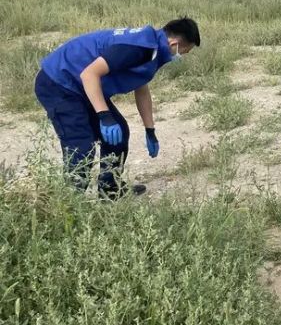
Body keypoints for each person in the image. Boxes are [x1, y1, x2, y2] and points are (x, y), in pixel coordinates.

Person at [34, 18, 201, 198]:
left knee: (119, 133)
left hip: (82, 85)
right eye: (184, 51)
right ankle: (69, 204)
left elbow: (141, 87)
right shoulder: (138, 48)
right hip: (59, 83)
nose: (182, 56)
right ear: (174, 43)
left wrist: (150, 129)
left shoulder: (153, 48)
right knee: (80, 145)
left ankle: (110, 190)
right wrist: (104, 116)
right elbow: (89, 74)